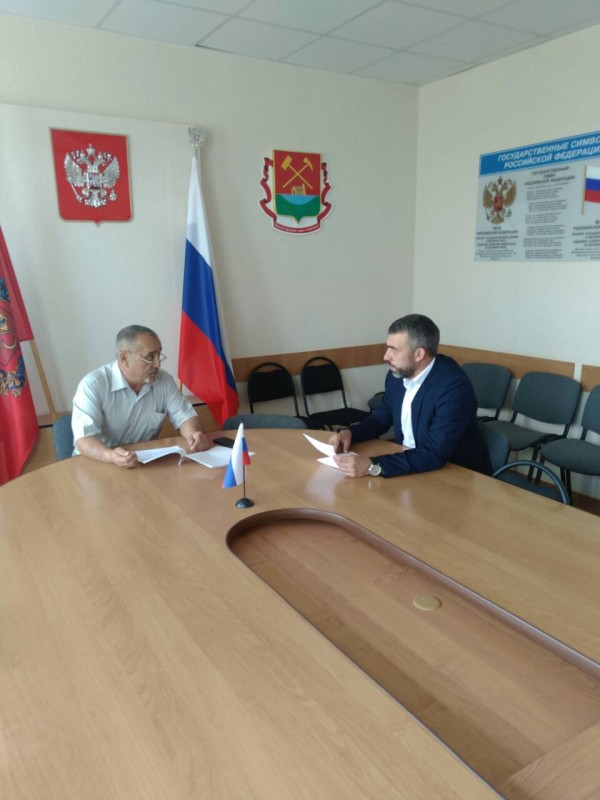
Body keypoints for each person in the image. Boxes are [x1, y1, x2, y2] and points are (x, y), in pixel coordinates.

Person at [330, 314, 490, 478]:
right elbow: (379, 420)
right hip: (411, 464)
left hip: (455, 474)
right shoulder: (398, 375)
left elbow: (435, 453)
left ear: (419, 354)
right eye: (387, 348)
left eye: (394, 349)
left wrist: (373, 466)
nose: (386, 356)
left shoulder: (453, 387)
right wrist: (351, 433)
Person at [72, 324, 210, 468]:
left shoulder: (164, 381)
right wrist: (111, 456)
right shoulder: (93, 385)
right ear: (124, 358)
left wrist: (194, 434)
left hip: (140, 462)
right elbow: (84, 439)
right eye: (150, 357)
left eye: (159, 355)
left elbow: (185, 417)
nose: (157, 364)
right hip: (96, 462)